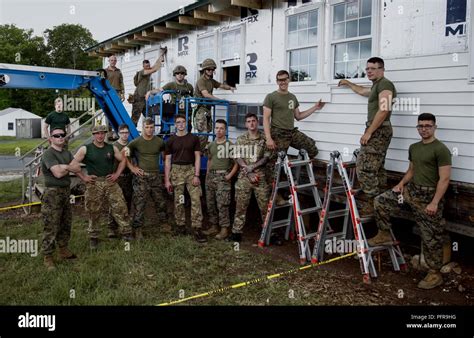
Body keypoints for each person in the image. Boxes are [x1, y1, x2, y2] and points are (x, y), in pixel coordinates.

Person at [368, 113, 451, 290]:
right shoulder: (414, 147)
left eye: (428, 126)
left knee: (430, 236)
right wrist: (401, 184)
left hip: (429, 197)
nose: (424, 129)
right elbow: (412, 170)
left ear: (435, 127)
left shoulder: (441, 149)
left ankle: (434, 274)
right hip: (411, 191)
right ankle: (384, 233)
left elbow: (444, 179)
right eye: (421, 126)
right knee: (381, 201)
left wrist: (435, 202)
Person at [338, 57, 397, 216]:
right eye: (367, 69)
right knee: (377, 169)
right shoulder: (377, 85)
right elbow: (363, 91)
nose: (369, 71)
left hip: (378, 130)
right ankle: (381, 202)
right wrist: (349, 83)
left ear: (381, 69)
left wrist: (369, 132)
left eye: (372, 68)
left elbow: (384, 109)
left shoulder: (385, 84)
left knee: (364, 166)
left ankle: (372, 201)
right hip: (378, 129)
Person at [263, 69, 325, 202]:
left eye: (285, 79)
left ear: (288, 80)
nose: (283, 82)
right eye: (280, 80)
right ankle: (275, 196)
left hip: (291, 132)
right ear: (277, 81)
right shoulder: (271, 97)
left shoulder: (292, 97)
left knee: (312, 149)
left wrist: (315, 107)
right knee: (274, 166)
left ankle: (291, 173)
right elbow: (266, 118)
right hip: (278, 133)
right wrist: (268, 138)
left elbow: (299, 116)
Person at [73, 125, 132, 249]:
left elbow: (123, 160)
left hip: (110, 181)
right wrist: (84, 177)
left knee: (120, 206)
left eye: (102, 133)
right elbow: (73, 164)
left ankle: (126, 232)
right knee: (93, 210)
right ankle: (93, 237)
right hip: (94, 183)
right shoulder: (86, 149)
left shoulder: (111, 148)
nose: (100, 136)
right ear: (93, 135)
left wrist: (117, 174)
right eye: (97, 133)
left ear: (105, 134)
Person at [40, 127, 81, 271]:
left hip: (65, 192)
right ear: (50, 138)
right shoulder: (48, 154)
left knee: (65, 222)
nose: (60, 137)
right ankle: (48, 256)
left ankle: (63, 250)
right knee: (51, 225)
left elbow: (77, 168)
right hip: (52, 194)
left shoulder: (66, 153)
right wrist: (68, 167)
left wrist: (65, 166)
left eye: (62, 135)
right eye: (56, 135)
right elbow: (57, 173)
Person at [228, 113, 271, 243]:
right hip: (244, 177)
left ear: (257, 122)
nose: (251, 123)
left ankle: (268, 233)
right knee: (240, 206)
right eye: (248, 121)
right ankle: (236, 233)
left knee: (265, 207)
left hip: (260, 177)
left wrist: (253, 167)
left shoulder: (264, 139)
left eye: (253, 121)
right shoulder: (241, 139)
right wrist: (248, 170)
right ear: (246, 124)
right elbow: (236, 156)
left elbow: (267, 157)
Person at [164, 114, 207, 243]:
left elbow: (198, 157)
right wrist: (167, 180)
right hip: (177, 172)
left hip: (190, 171)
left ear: (186, 123)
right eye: (178, 122)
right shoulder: (170, 140)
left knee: (196, 199)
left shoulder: (193, 139)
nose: (181, 124)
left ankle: (197, 228)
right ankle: (180, 226)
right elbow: (167, 161)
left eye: (183, 122)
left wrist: (196, 175)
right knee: (179, 200)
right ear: (175, 125)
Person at [125, 118, 169, 239]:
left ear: (154, 128)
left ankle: (164, 223)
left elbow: (165, 156)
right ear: (143, 128)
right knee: (140, 203)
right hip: (141, 178)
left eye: (151, 127)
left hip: (155, 176)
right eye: (147, 127)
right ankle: (138, 228)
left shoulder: (160, 142)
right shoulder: (136, 142)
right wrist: (133, 168)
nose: (149, 130)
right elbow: (125, 155)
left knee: (160, 201)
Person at [203, 119, 239, 240]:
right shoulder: (211, 145)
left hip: (223, 178)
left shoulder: (229, 145)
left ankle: (224, 229)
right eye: (217, 128)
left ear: (225, 130)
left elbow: (236, 163)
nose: (218, 130)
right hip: (211, 178)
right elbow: (209, 160)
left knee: (222, 204)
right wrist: (208, 174)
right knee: (210, 203)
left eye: (221, 128)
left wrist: (229, 176)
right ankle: (214, 226)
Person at [194, 58, 235, 152]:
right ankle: (197, 153)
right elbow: (206, 94)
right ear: (204, 70)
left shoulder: (211, 81)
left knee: (208, 132)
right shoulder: (201, 81)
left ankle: (201, 151)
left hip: (207, 110)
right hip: (200, 109)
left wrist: (231, 87)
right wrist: (221, 101)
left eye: (212, 69)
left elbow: (221, 85)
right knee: (203, 133)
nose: (210, 71)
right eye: (208, 69)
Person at [107, 123, 133, 238]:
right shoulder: (113, 146)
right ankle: (112, 228)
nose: (124, 135)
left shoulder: (132, 145)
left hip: (129, 177)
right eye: (122, 133)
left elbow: (134, 160)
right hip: (117, 178)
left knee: (127, 202)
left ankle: (125, 225)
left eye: (126, 132)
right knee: (114, 203)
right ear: (118, 133)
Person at [131, 48, 167, 126]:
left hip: (145, 99)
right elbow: (155, 69)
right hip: (138, 98)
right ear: (143, 66)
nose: (148, 67)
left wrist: (161, 55)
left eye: (148, 65)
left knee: (149, 116)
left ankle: (148, 133)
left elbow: (154, 66)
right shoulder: (142, 72)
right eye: (146, 66)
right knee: (135, 118)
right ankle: (131, 135)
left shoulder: (148, 72)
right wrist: (161, 58)